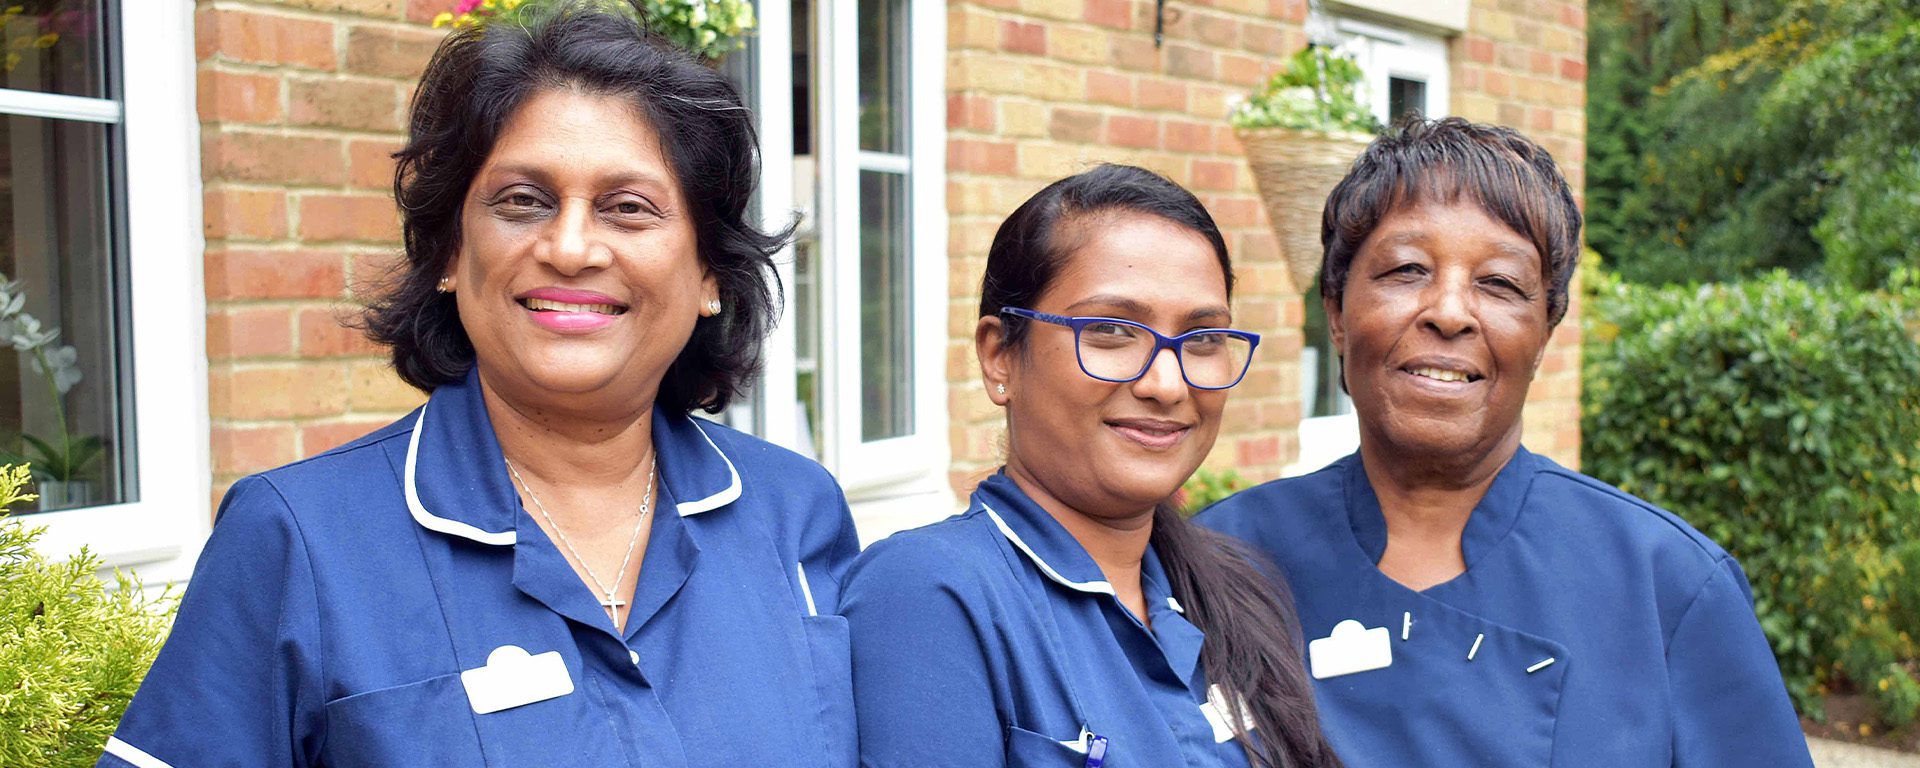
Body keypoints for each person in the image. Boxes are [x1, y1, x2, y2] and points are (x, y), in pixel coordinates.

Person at [98, 4, 859, 767]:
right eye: (523, 201)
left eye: (628, 208)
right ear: (451, 254)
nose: (570, 248)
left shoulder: (795, 513)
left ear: (709, 274)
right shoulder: (298, 540)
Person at [1197, 118, 1814, 767]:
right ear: (1336, 313)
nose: (1450, 312)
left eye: (1499, 283)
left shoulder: (1669, 587)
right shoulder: (1218, 564)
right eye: (1406, 269)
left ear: (1544, 334)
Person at [843, 164, 1341, 768]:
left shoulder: (1238, 589)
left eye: (1203, 339)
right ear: (1000, 356)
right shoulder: (931, 594)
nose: (1167, 383)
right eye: (1110, 330)